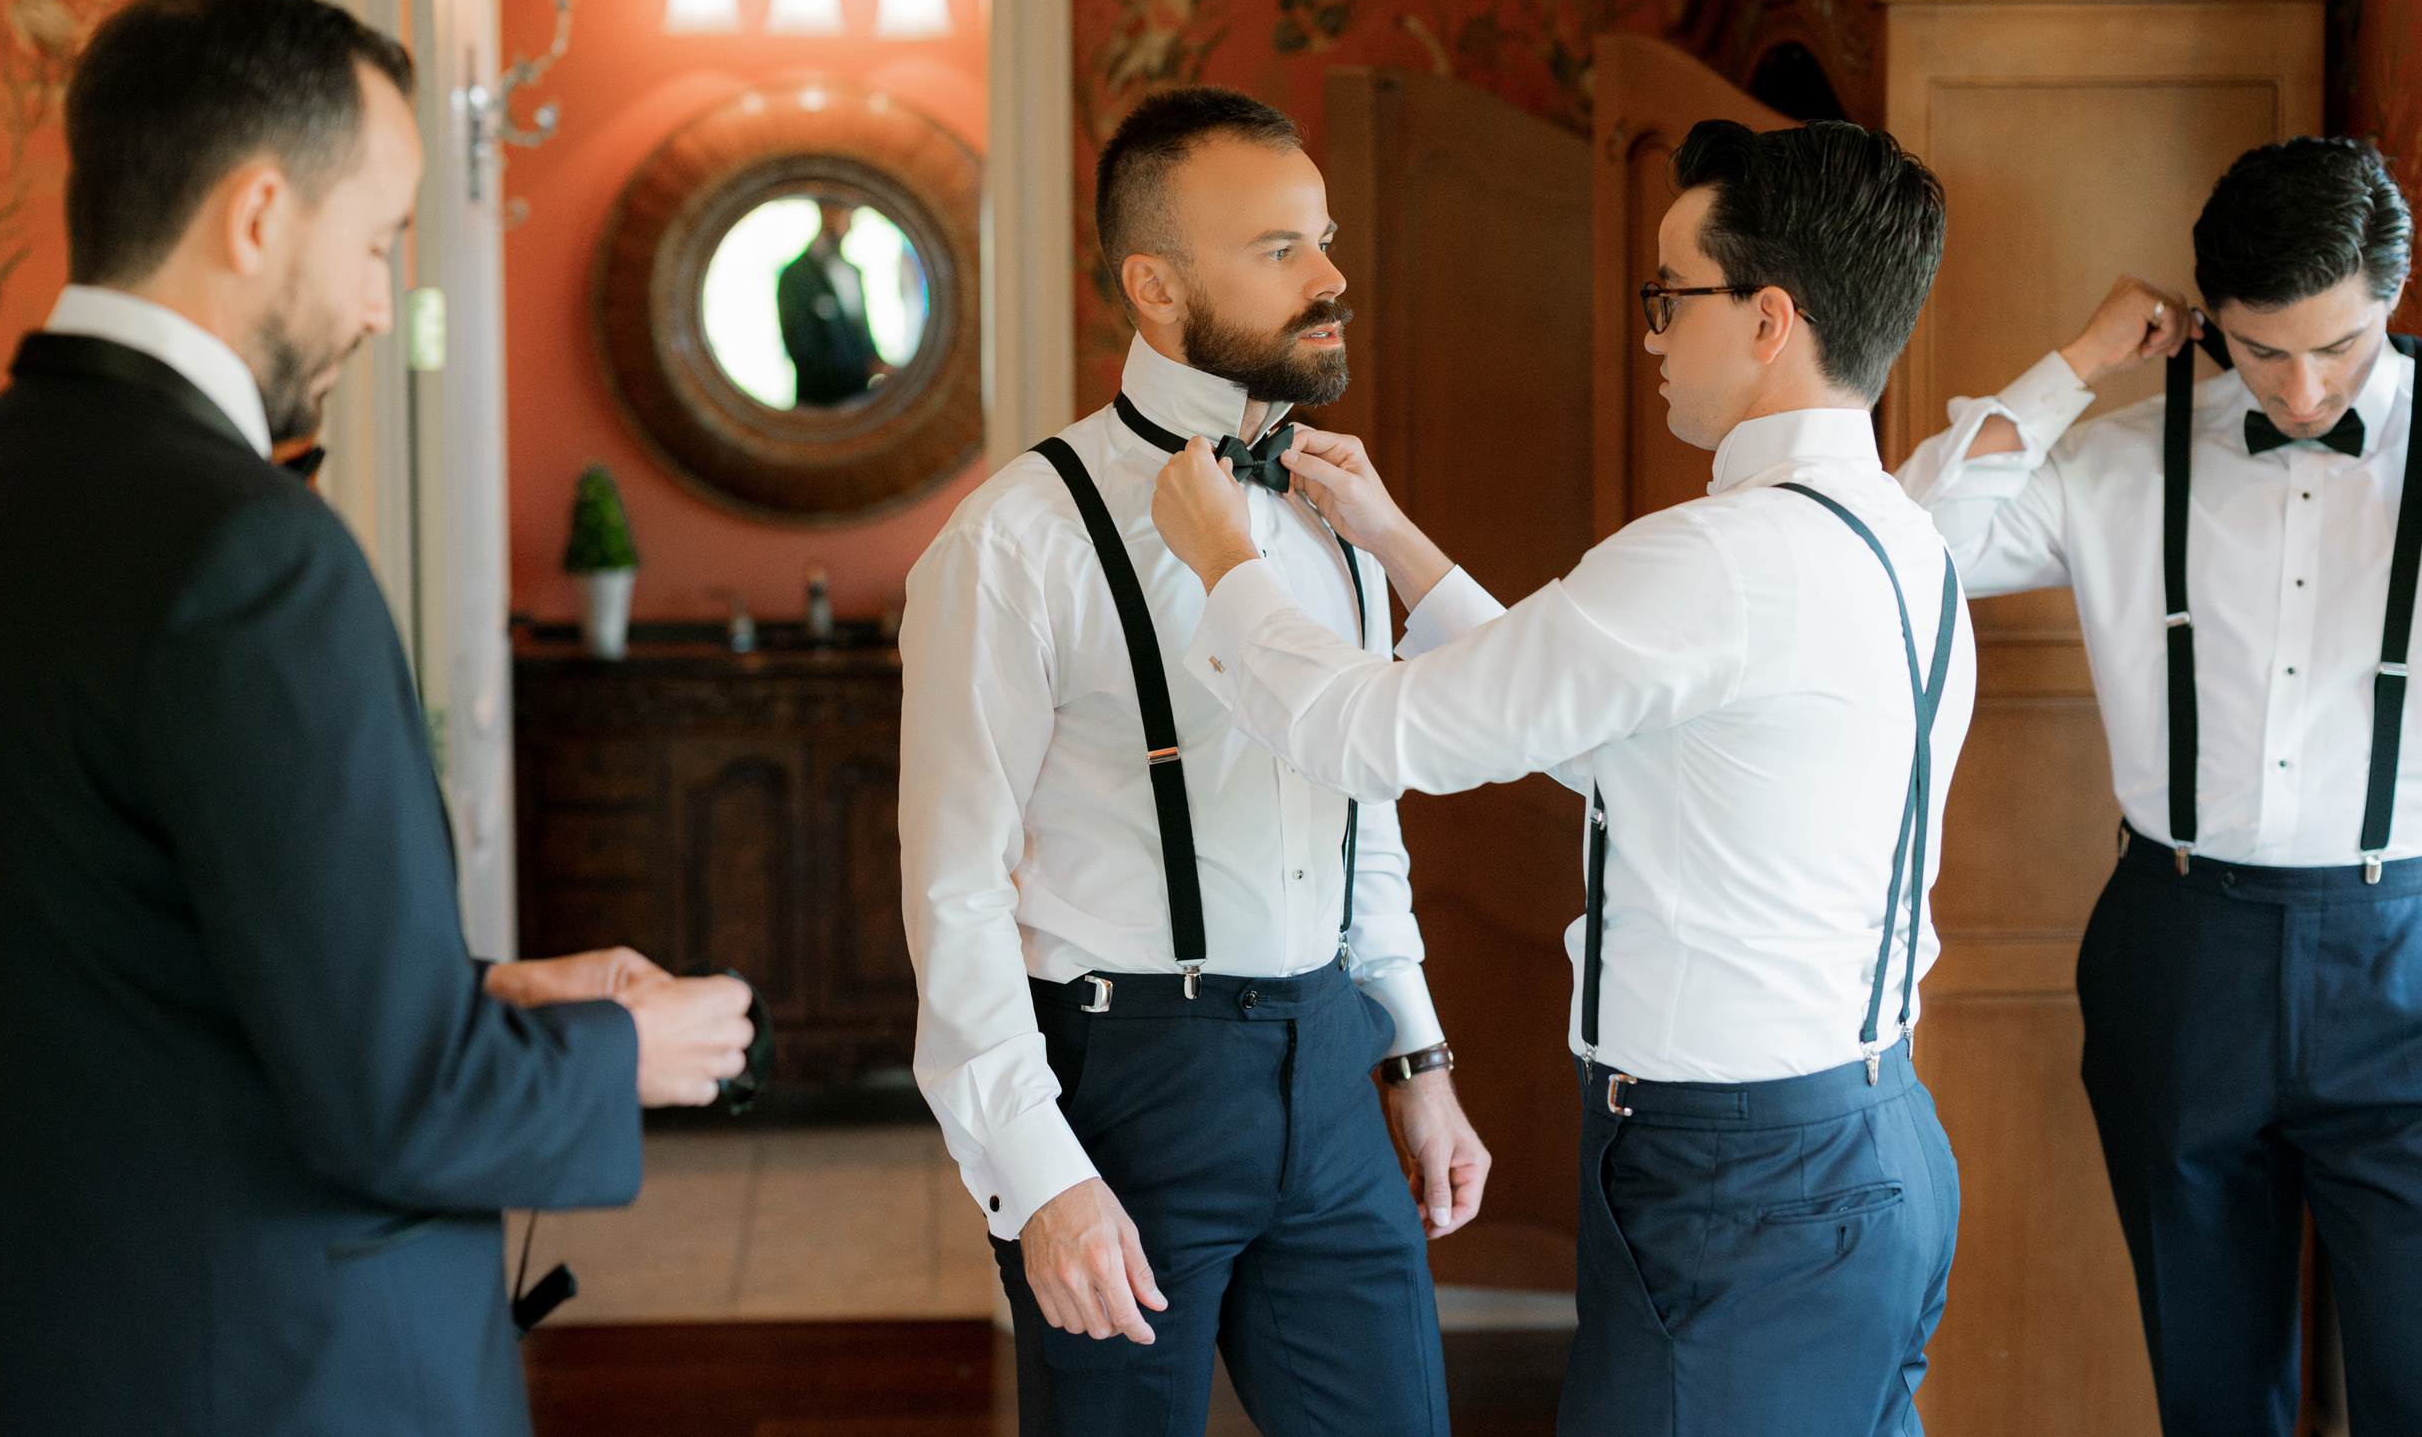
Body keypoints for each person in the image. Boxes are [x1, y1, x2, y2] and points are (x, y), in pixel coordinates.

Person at [0, 0, 757, 1437]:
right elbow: (400, 1103)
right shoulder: (247, 549)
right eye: (376, 240)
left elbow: (132, 957)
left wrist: (475, 989)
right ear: (260, 212)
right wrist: (630, 1050)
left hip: (51, 1354)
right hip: (291, 1369)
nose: (377, 301)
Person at [1155, 118, 1971, 1435]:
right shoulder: (1902, 540)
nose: (1650, 331)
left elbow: (1378, 736)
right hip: (1879, 1145)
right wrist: (1396, 539)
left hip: (1738, 1179)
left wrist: (1225, 566)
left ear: (1769, 318)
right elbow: (1595, 721)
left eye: (1669, 294)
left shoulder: (1717, 560)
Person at [900, 87, 1489, 1436]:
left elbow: (1365, 814)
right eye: (1280, 247)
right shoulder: (1012, 543)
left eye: (1323, 237)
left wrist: (1415, 1054)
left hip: (1330, 1067)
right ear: (1155, 286)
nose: (1333, 275)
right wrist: (1037, 1170)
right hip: (1124, 1081)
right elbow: (953, 887)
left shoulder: (1340, 515)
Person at [1895, 136, 2422, 1437]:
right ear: (2208, 322)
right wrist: (2073, 367)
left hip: (2404, 942)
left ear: (2394, 301)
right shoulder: (2121, 457)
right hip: (2181, 944)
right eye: (2261, 348)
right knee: (2210, 1374)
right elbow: (1905, 539)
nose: (2303, 388)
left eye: (2342, 347)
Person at [777, 197, 882, 405]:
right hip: (820, 404)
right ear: (826, 211)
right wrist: (862, 369)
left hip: (861, 399)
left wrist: (877, 364)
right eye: (846, 213)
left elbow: (861, 332)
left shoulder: (852, 271)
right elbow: (802, 348)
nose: (850, 223)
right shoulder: (795, 276)